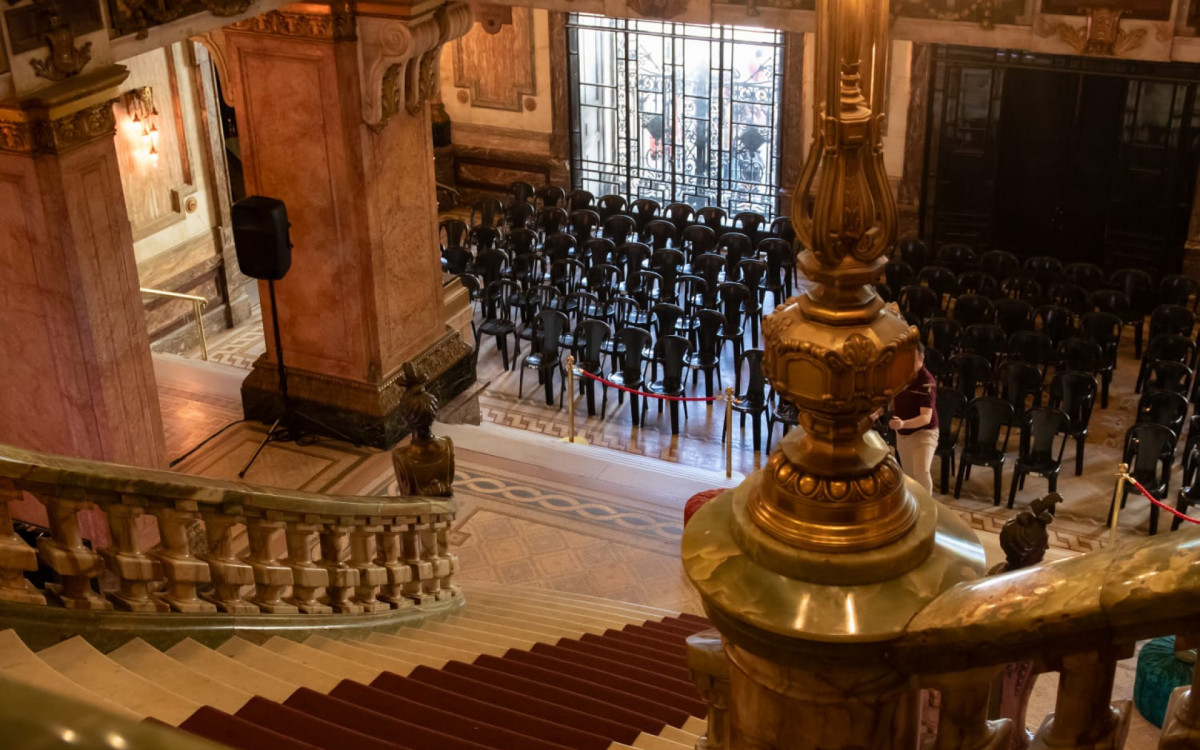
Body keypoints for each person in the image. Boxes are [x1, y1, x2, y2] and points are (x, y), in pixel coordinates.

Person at [889, 343, 938, 494]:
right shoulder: (900, 376)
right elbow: (891, 401)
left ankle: (927, 506)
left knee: (922, 473)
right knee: (909, 476)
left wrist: (903, 423)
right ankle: (914, 505)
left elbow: (926, 418)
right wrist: (876, 413)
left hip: (924, 433)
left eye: (912, 358)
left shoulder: (927, 381)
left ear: (922, 358)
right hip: (903, 433)